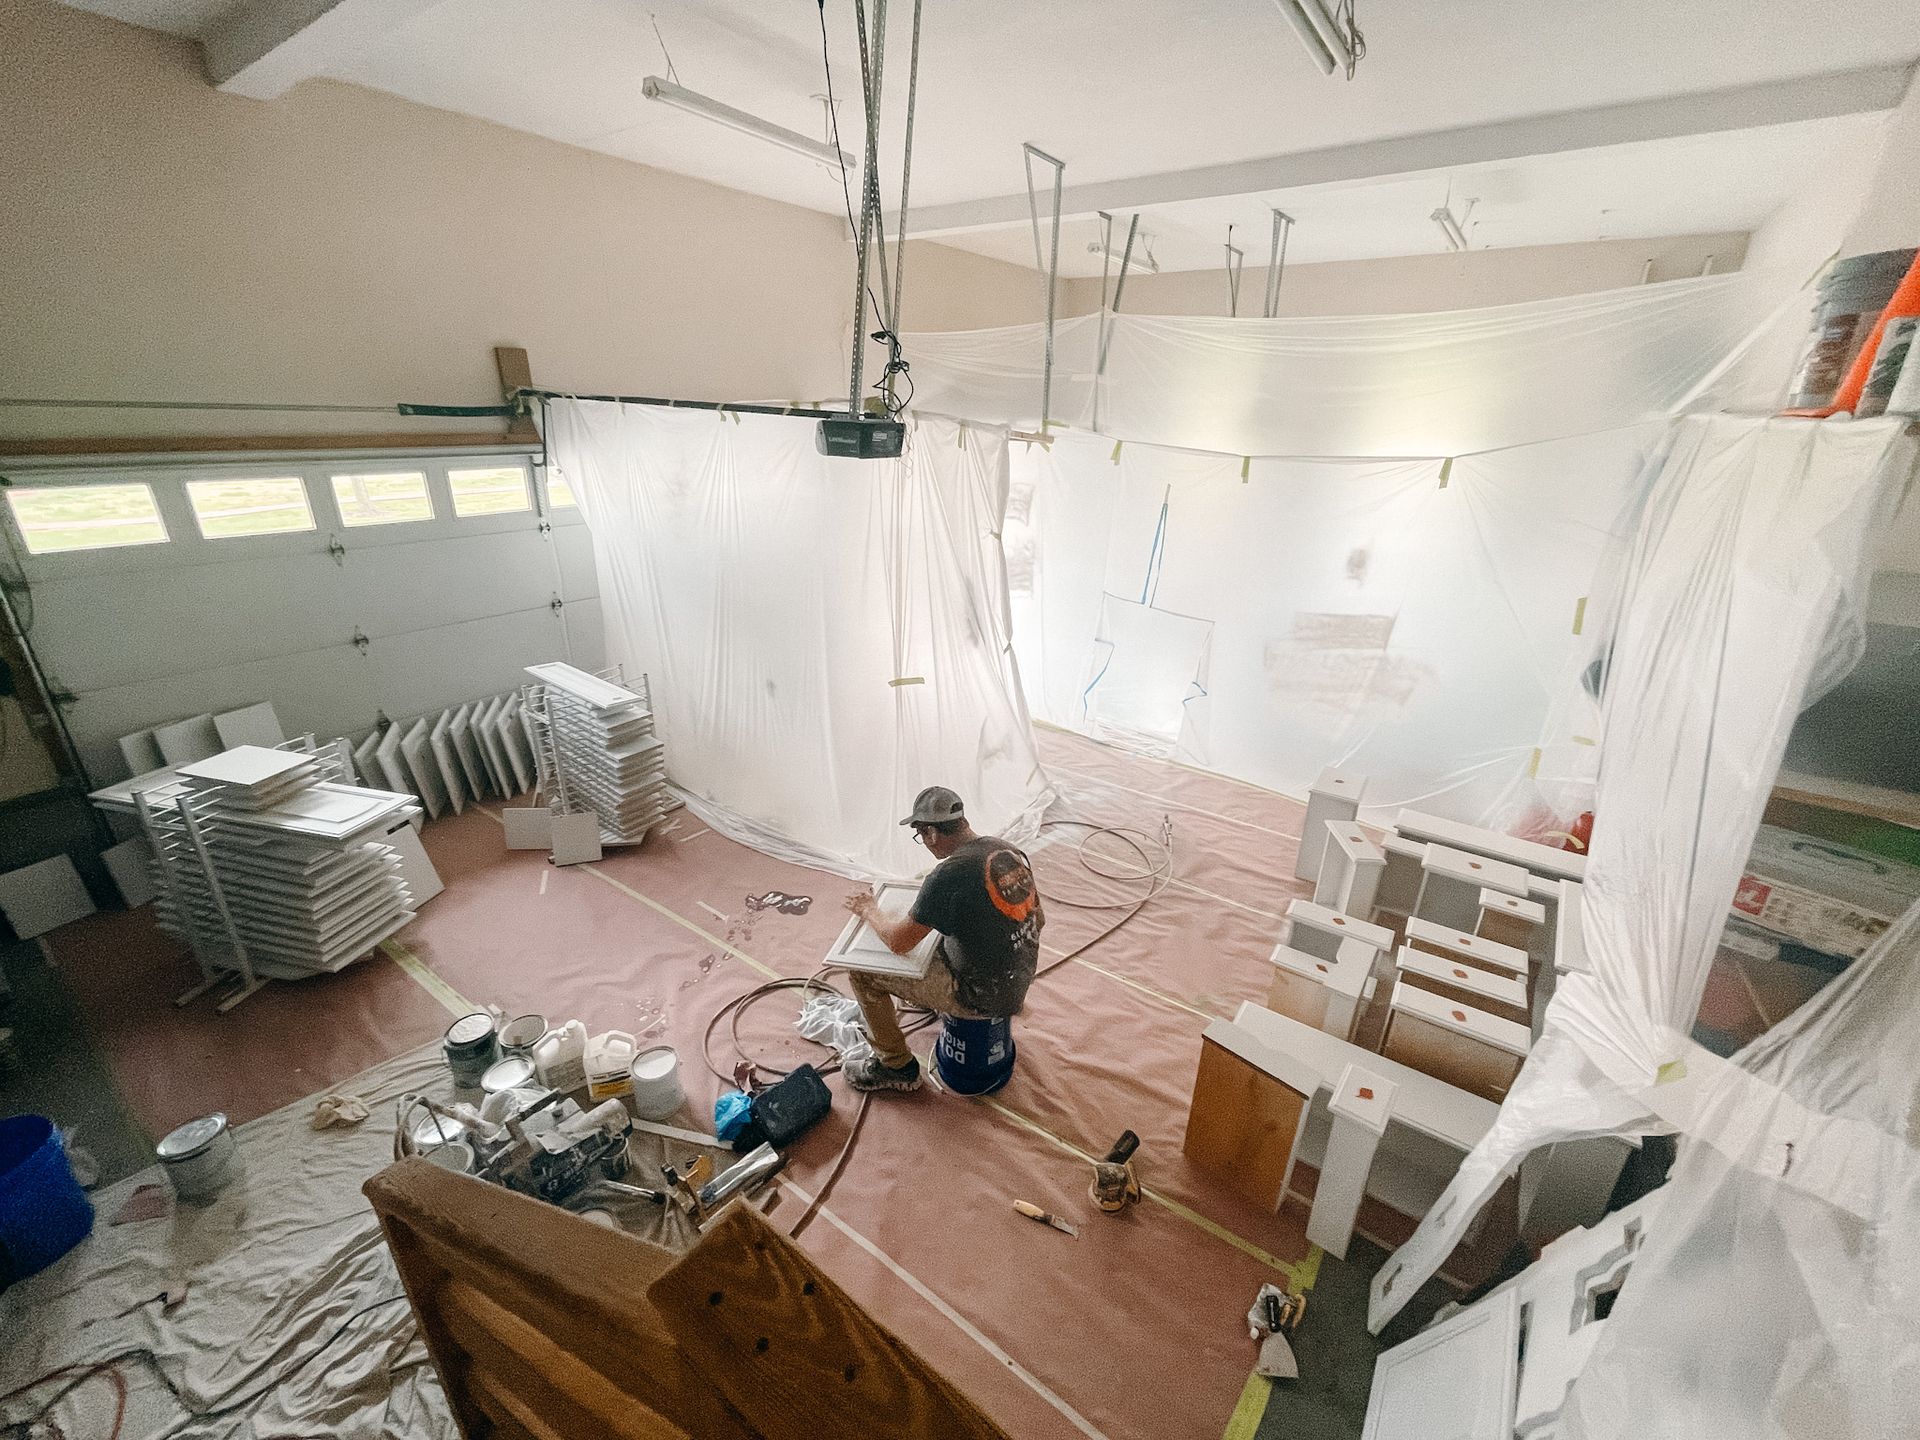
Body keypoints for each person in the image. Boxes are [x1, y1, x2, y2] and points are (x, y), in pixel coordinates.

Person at [840, 786, 1044, 1093]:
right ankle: (931, 1001)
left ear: (932, 833)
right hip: (1019, 976)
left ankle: (896, 1067)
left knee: (863, 973)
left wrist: (868, 909)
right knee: (939, 933)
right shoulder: (1006, 850)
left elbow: (898, 942)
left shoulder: (947, 876)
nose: (924, 843)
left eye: (921, 835)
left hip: (980, 995)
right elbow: (1039, 919)